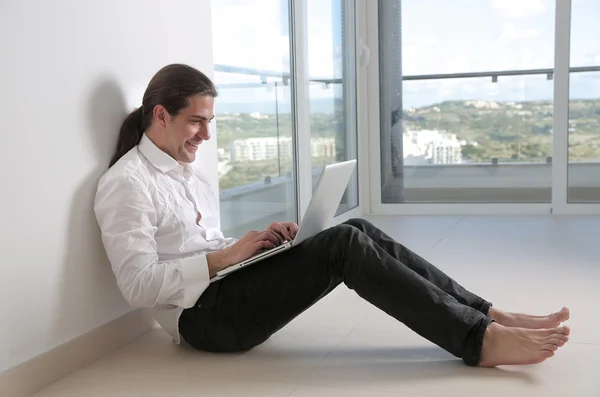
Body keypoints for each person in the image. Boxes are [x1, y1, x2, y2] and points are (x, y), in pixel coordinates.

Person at [94, 64, 570, 368]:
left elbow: (202, 244)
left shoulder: (186, 170)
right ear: (161, 115)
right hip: (204, 322)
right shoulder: (126, 183)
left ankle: (486, 312)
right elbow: (137, 286)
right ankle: (478, 340)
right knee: (344, 247)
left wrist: (255, 244)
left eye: (209, 122)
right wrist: (223, 261)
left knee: (354, 228)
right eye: (196, 121)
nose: (205, 134)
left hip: (225, 288)